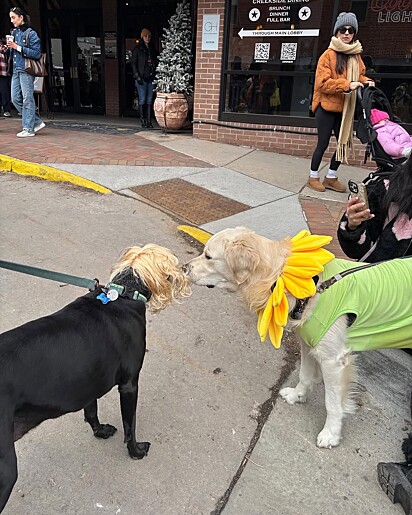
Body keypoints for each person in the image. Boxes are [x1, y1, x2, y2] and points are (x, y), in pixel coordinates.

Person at [308, 12, 374, 193]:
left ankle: (331, 176)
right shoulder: (327, 56)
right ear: (337, 32)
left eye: (350, 30)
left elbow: (358, 75)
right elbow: (323, 84)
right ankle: (313, 177)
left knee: (342, 143)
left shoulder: (355, 56)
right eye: (343, 30)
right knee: (322, 143)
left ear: (354, 33)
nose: (346, 33)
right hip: (326, 106)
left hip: (345, 108)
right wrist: (347, 85)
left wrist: (366, 80)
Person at [7, 7, 45, 137]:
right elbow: (14, 52)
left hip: (26, 69)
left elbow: (37, 53)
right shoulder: (14, 32)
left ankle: (29, 129)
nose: (12, 20)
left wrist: (18, 47)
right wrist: (8, 48)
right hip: (16, 70)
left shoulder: (31, 33)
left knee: (27, 98)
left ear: (21, 17)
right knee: (15, 98)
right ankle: (36, 121)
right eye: (10, 18)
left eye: (13, 17)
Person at [131, 28, 158, 128]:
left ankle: (149, 121)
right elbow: (133, 64)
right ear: (142, 37)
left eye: (149, 36)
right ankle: (143, 121)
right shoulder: (138, 49)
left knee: (149, 100)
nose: (147, 38)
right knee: (142, 100)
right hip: (141, 78)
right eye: (145, 36)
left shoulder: (152, 49)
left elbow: (156, 62)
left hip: (151, 78)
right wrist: (137, 76)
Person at [0, 36, 11, 116]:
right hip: (3, 72)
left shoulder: (4, 47)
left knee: (5, 92)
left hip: (4, 73)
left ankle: (6, 109)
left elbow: (5, 51)